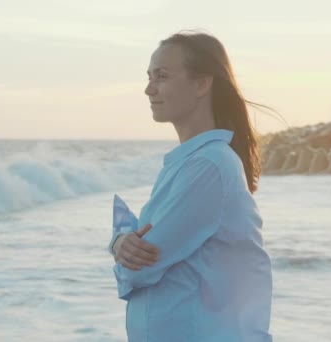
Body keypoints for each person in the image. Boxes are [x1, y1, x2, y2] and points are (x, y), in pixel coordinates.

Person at [108, 31, 273, 341]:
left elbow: (140, 268)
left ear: (202, 83)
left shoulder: (207, 167)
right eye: (149, 76)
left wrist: (119, 247)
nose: (148, 88)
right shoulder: (192, 163)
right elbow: (140, 253)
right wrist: (119, 242)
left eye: (162, 76)